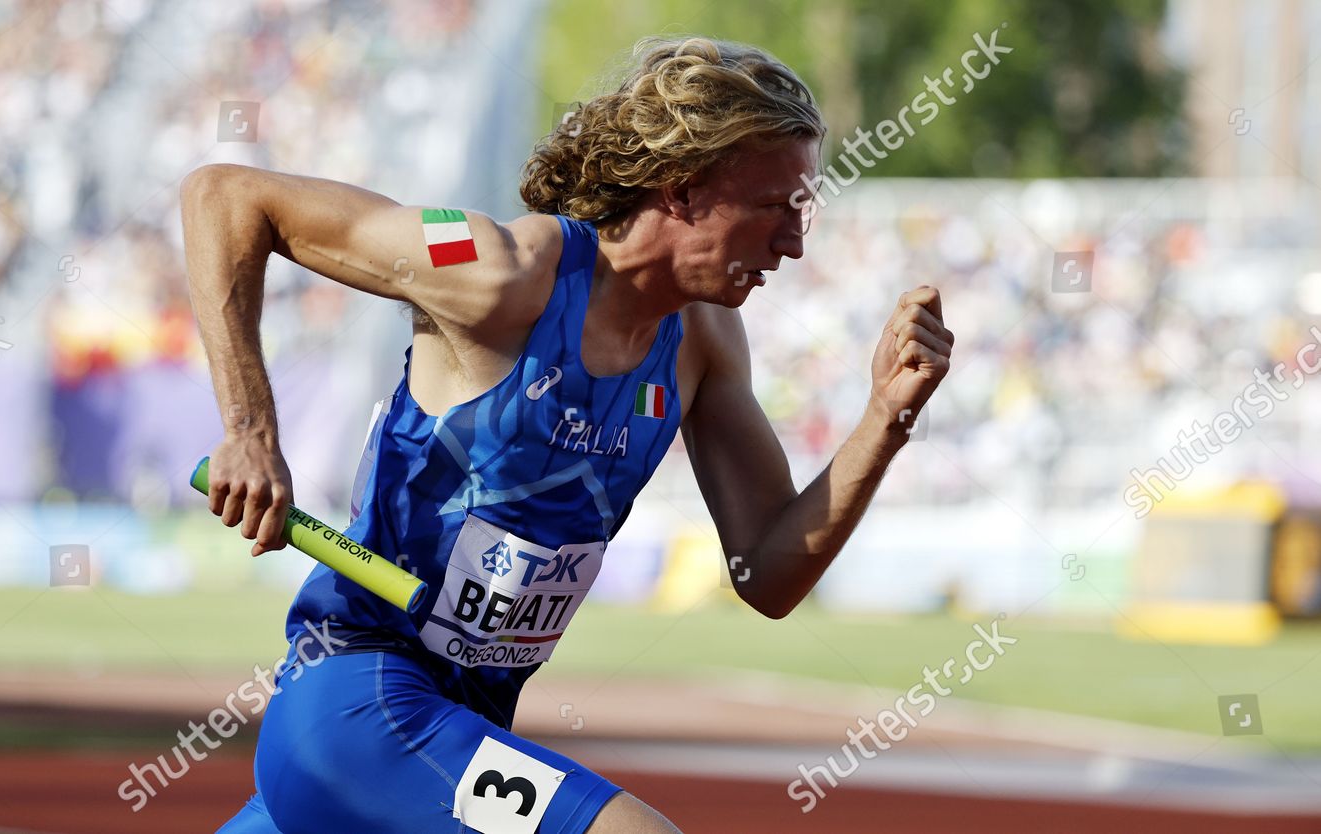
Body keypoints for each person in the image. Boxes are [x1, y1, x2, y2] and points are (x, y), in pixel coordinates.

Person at [182, 35, 952, 834]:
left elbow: (769, 574)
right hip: (354, 706)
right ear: (683, 191)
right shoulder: (498, 271)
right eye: (773, 210)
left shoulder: (704, 345)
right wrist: (249, 430)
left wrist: (885, 418)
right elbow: (227, 195)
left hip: (453, 729)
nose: (793, 245)